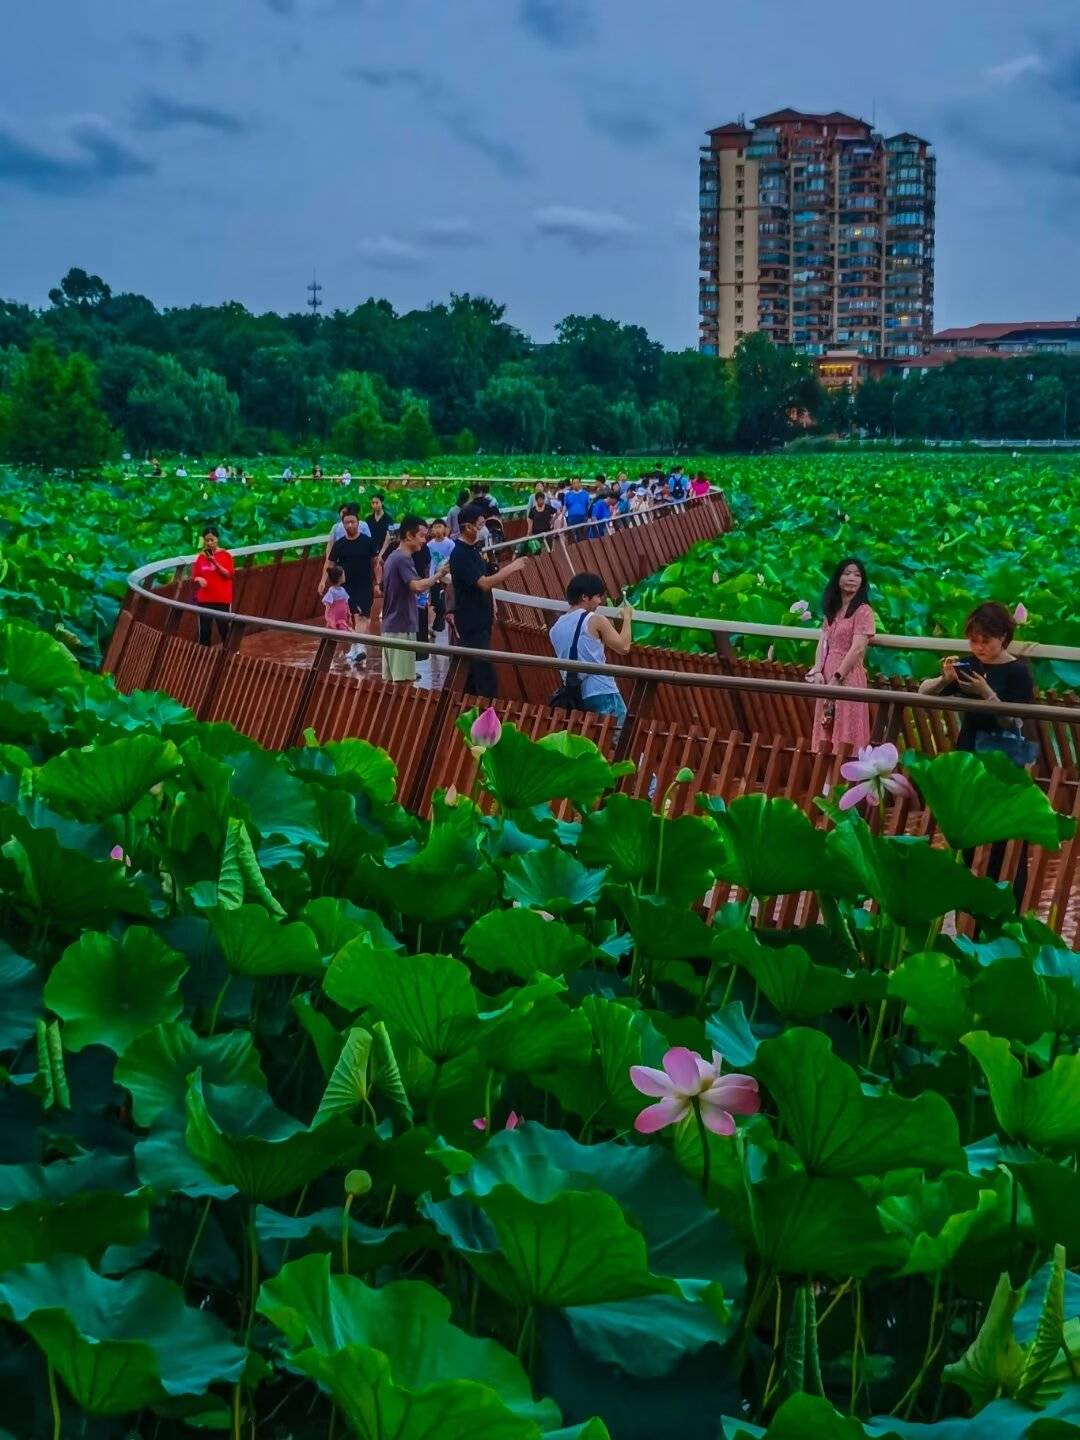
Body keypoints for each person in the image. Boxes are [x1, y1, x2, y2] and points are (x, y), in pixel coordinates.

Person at [918, 601, 1036, 903]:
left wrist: (987, 694)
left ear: (1004, 638)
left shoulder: (1017, 672)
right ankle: (969, 911)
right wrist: (946, 679)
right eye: (974, 640)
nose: (979, 647)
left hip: (1002, 760)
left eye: (987, 641)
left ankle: (1008, 904)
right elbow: (923, 692)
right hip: (970, 755)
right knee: (968, 834)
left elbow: (1015, 719)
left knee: (1003, 839)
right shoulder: (970, 665)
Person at [448, 503, 527, 698]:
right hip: (471, 621)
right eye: (481, 524)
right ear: (468, 527)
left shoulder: (473, 550)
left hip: (481, 619)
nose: (484, 529)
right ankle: (486, 716)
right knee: (484, 674)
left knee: (476, 673)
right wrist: (512, 568)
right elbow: (483, 583)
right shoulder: (460, 554)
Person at [549, 572, 633, 739]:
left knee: (594, 742)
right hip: (602, 690)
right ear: (585, 597)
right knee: (619, 741)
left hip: (577, 695)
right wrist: (627, 618)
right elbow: (623, 647)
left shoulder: (555, 628)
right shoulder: (594, 619)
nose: (599, 601)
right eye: (597, 596)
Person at [808, 558, 875, 751]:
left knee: (846, 730)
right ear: (838, 578)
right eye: (847, 573)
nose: (852, 578)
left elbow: (858, 648)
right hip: (827, 675)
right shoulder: (832, 609)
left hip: (848, 676)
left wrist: (838, 677)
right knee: (826, 726)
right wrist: (818, 670)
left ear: (862, 581)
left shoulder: (864, 611)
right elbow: (824, 640)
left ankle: (845, 779)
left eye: (857, 575)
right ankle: (827, 780)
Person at [380, 516, 448, 683]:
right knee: (404, 682)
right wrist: (439, 575)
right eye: (422, 536)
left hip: (393, 626)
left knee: (392, 682)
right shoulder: (402, 558)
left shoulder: (394, 556)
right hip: (400, 627)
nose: (424, 541)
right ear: (409, 535)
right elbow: (416, 586)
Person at [322, 510, 376, 664]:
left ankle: (359, 647)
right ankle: (356, 647)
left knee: (362, 616)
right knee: (352, 617)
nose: (350, 525)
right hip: (346, 587)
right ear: (343, 524)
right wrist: (323, 580)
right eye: (347, 522)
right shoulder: (339, 545)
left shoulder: (368, 542)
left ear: (358, 523)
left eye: (353, 522)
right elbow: (330, 563)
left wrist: (378, 582)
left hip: (365, 584)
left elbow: (375, 562)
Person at [192, 526, 235, 646]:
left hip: (221, 599)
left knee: (224, 628)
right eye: (207, 540)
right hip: (205, 599)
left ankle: (230, 653)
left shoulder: (225, 555)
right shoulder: (201, 557)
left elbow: (228, 574)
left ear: (217, 539)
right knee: (205, 630)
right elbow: (195, 575)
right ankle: (204, 657)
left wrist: (214, 561)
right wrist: (198, 579)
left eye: (212, 540)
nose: (210, 543)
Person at [426, 516, 454, 633]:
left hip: (447, 577)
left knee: (446, 600)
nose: (437, 529)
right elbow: (430, 562)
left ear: (445, 529)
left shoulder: (450, 544)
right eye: (435, 527)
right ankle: (432, 625)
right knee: (433, 601)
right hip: (434, 577)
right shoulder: (429, 545)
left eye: (439, 527)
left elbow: (452, 559)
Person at [322, 564, 353, 633]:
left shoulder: (343, 589)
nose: (345, 576)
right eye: (343, 575)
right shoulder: (331, 590)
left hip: (342, 616)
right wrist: (327, 617)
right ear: (339, 578)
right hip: (334, 616)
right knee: (332, 631)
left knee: (342, 631)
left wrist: (349, 613)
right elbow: (328, 604)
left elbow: (346, 603)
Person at [562, 476, 591, 540]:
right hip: (571, 520)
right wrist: (562, 516)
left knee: (583, 539)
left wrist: (588, 518)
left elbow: (588, 507)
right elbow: (565, 506)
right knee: (572, 539)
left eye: (577, 483)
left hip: (583, 519)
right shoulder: (568, 494)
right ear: (572, 484)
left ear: (580, 483)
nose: (576, 485)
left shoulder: (586, 494)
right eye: (574, 483)